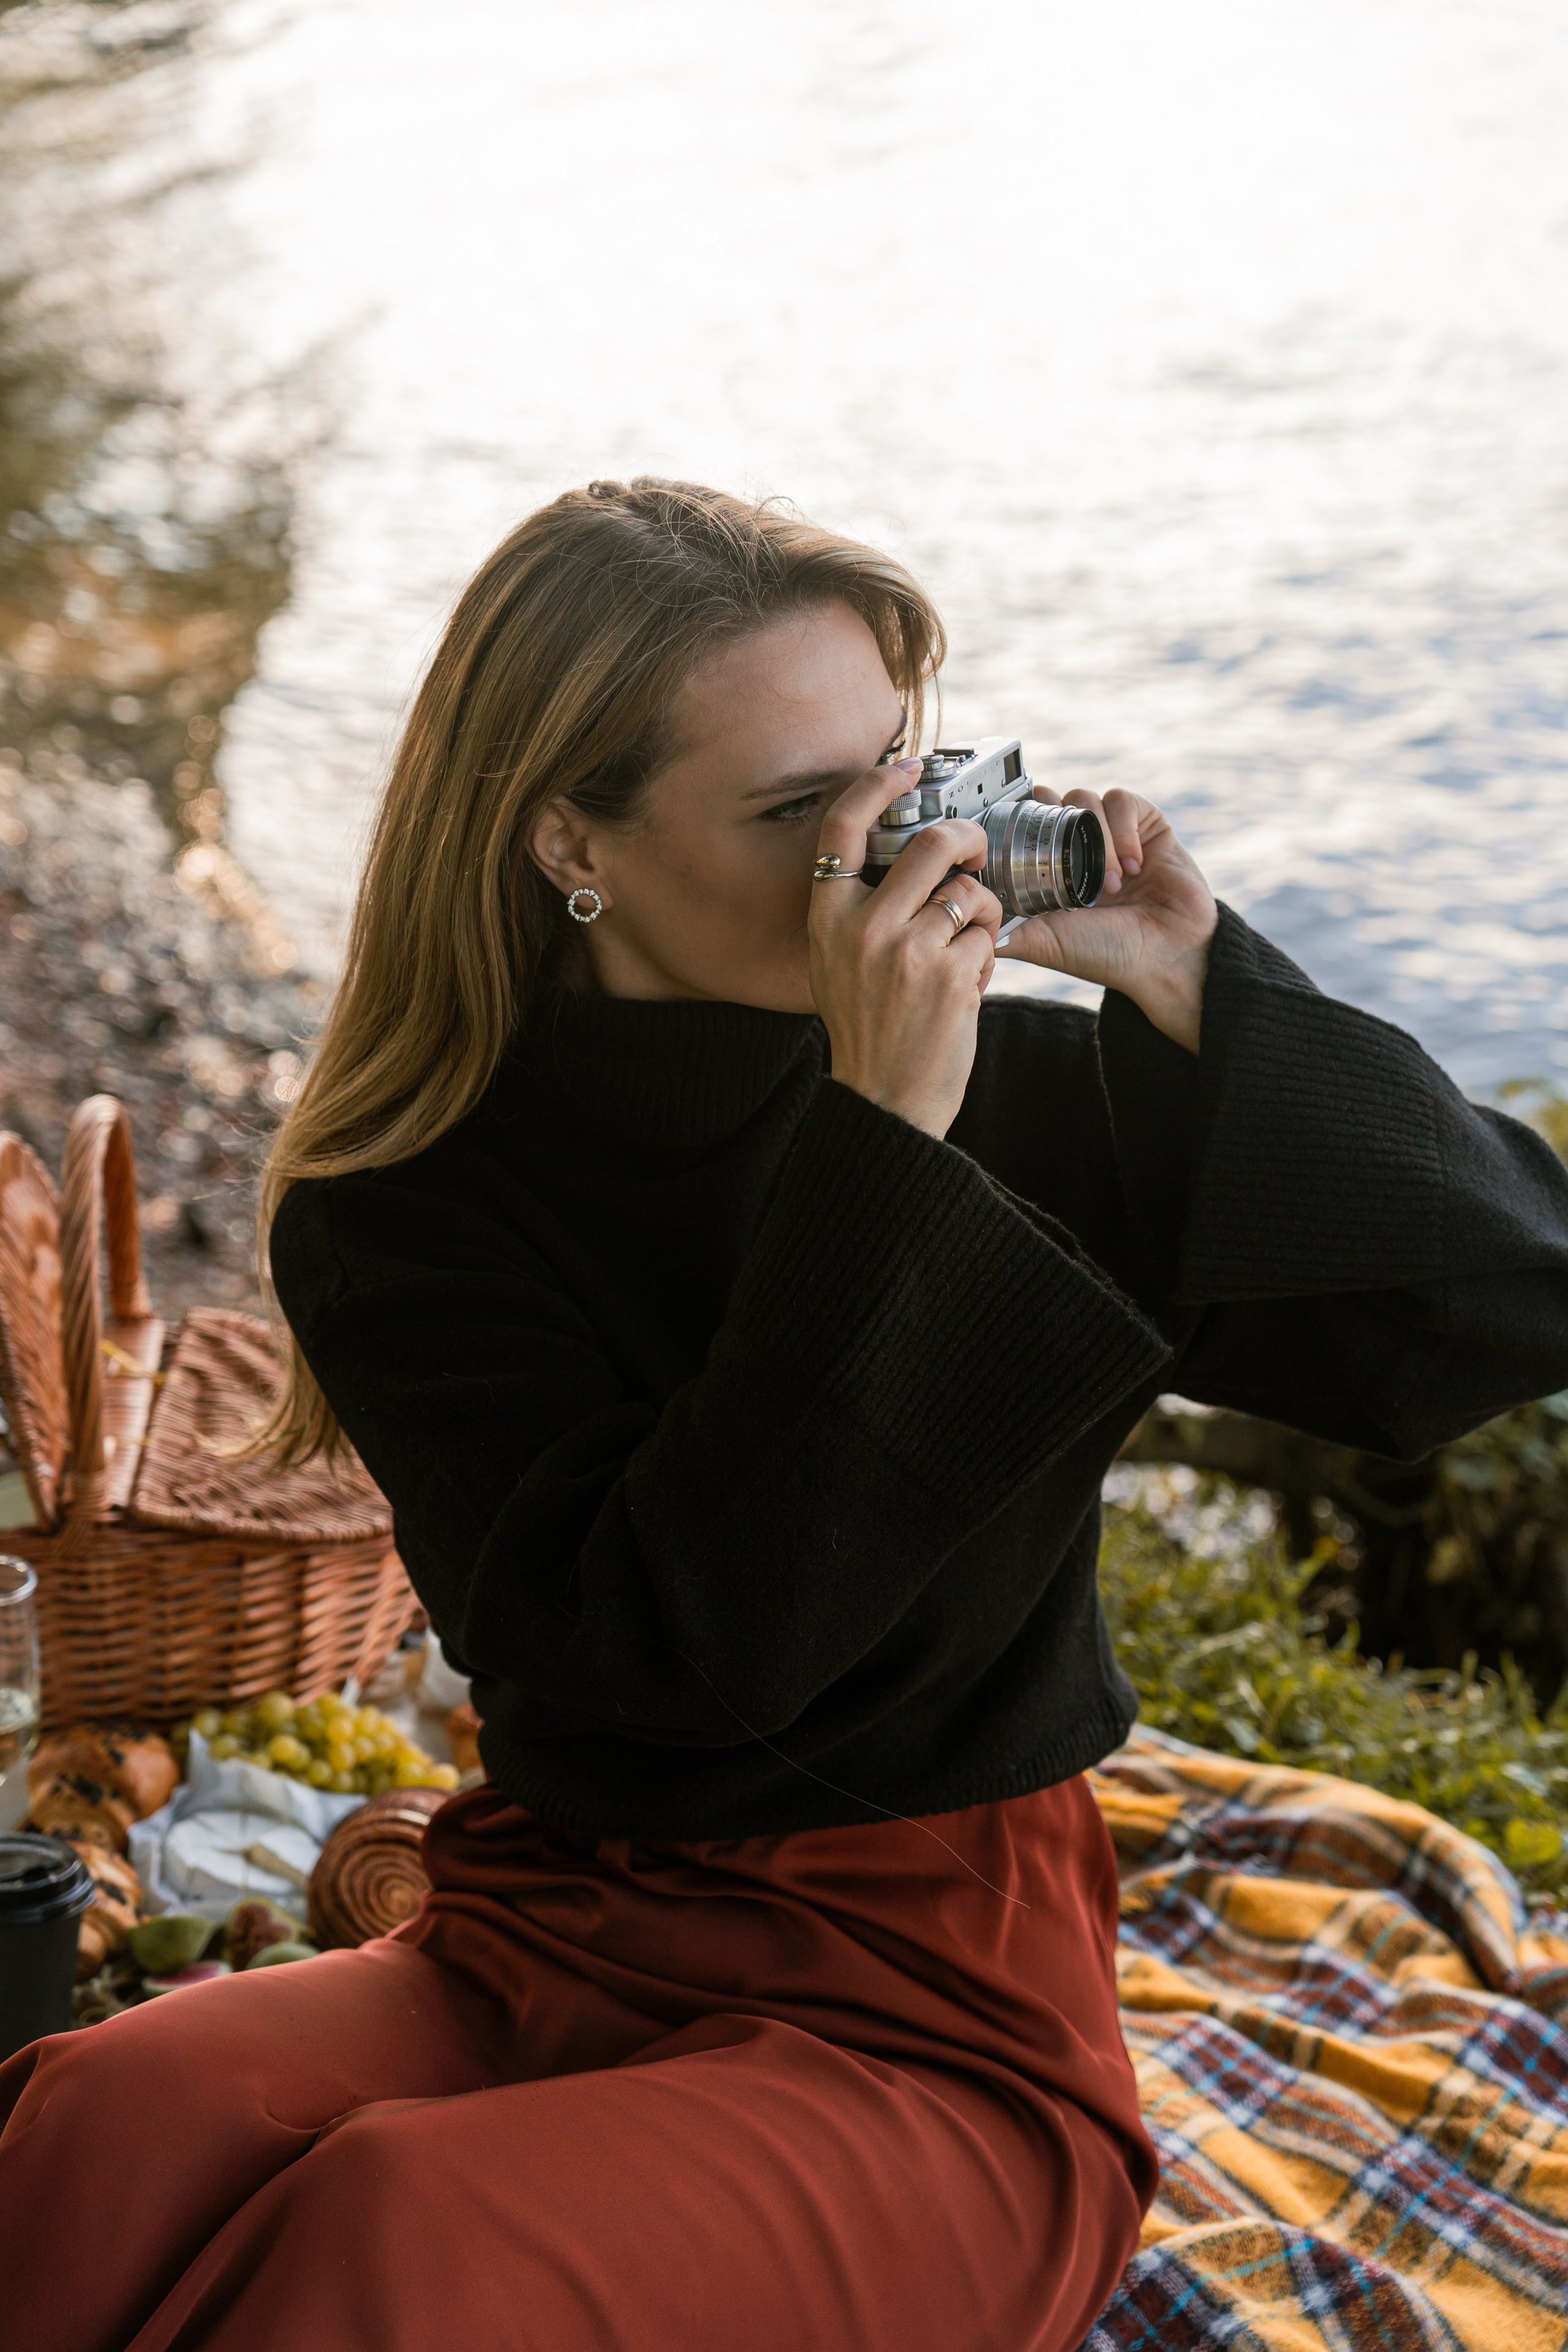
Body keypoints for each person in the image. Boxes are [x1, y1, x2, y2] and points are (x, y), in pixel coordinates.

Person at [5, 478, 1567, 2352]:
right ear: (568, 839)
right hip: (559, 1922)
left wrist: (1195, 985)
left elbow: (1505, 1303)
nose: (884, 854)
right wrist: (879, 1144)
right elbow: (675, 1653)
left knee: (400, 2225)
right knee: (92, 2129)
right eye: (792, 811)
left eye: (896, 776)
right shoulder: (406, 1199)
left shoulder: (1016, 1100)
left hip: (938, 2015)